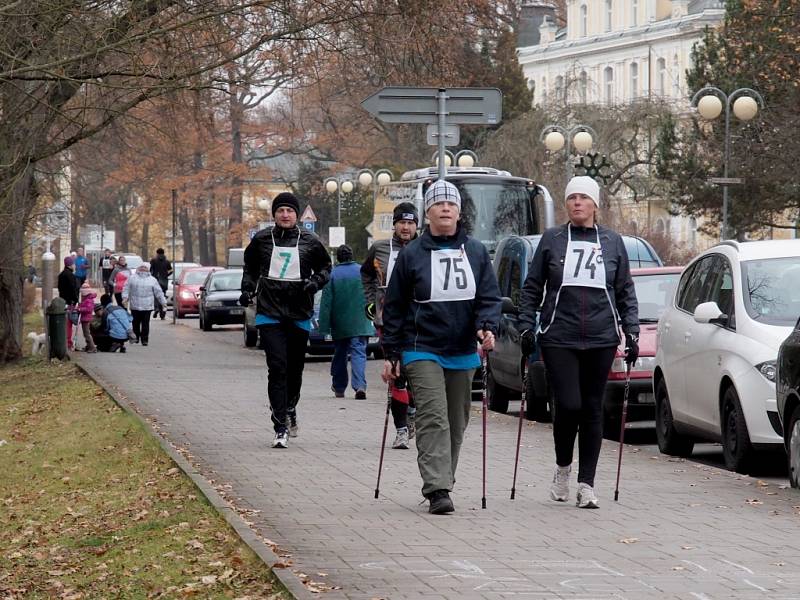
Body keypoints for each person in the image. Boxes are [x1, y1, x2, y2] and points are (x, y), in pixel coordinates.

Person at [517, 176, 639, 510]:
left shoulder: (612, 242)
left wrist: (632, 332)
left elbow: (625, 290)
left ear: (596, 204)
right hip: (560, 334)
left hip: (601, 336)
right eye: (572, 198)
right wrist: (527, 326)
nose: (577, 203)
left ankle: (587, 483)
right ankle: (562, 468)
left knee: (592, 407)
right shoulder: (552, 239)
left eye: (584, 198)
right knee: (568, 405)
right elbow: (532, 288)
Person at [381, 180, 501, 514]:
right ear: (428, 212)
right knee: (434, 417)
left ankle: (444, 478)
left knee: (456, 420)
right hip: (422, 348)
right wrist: (391, 353)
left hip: (462, 349)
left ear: (459, 212)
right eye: (438, 204)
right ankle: (437, 488)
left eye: (451, 204)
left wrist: (487, 326)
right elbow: (395, 307)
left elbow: (489, 297)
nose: (445, 208)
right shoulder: (412, 254)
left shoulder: (475, 252)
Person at [241, 192, 332, 449]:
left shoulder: (310, 241)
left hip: (299, 312)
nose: (285, 215)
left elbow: (326, 267)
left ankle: (290, 406)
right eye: (280, 210)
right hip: (269, 312)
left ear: (296, 214)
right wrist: (247, 289)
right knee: (277, 368)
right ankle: (279, 425)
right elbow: (250, 267)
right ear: (274, 214)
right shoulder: (261, 240)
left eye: (289, 211)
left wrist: (314, 283)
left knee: (294, 369)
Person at [361, 202, 419, 449]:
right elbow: (366, 274)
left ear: (417, 225)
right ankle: (402, 429)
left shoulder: (423, 248)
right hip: (388, 320)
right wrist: (370, 301)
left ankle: (414, 410)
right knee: (396, 373)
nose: (406, 227)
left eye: (410, 223)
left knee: (417, 373)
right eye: (401, 223)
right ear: (394, 225)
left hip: (418, 321)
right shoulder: (380, 248)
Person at [319, 245, 375, 400]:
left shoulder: (332, 275)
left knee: (340, 354)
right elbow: (372, 293)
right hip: (361, 321)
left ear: (338, 258)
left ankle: (339, 387)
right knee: (359, 353)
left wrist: (324, 327)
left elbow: (326, 303)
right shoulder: (362, 271)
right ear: (351, 256)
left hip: (340, 323)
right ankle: (360, 386)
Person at [122, 264, 167, 346]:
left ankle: (145, 339)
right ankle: (136, 337)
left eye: (145, 267)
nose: (143, 268)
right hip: (135, 304)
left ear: (148, 269)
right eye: (141, 267)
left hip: (147, 306)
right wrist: (125, 298)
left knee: (145, 324)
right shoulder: (132, 278)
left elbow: (158, 292)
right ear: (138, 268)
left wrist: (163, 302)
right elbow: (126, 288)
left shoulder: (152, 280)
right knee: (135, 323)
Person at [57, 256, 80, 351]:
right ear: (70, 265)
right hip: (70, 302)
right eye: (73, 264)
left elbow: (59, 289)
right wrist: (75, 300)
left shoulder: (61, 275)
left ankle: (65, 341)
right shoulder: (70, 276)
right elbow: (73, 290)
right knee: (69, 323)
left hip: (63, 300)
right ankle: (68, 342)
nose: (75, 265)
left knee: (65, 322)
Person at [150, 248, 172, 319]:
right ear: (163, 253)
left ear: (157, 253)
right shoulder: (167, 261)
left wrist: (153, 276)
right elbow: (171, 270)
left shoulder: (153, 260)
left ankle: (156, 308)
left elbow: (151, 270)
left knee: (156, 296)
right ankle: (163, 314)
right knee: (163, 296)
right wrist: (166, 275)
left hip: (156, 281)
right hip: (164, 281)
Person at [77, 283, 98, 352]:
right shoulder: (86, 300)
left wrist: (80, 309)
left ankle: (92, 347)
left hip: (86, 318)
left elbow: (88, 309)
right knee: (86, 333)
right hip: (84, 318)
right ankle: (89, 346)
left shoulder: (88, 300)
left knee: (87, 334)